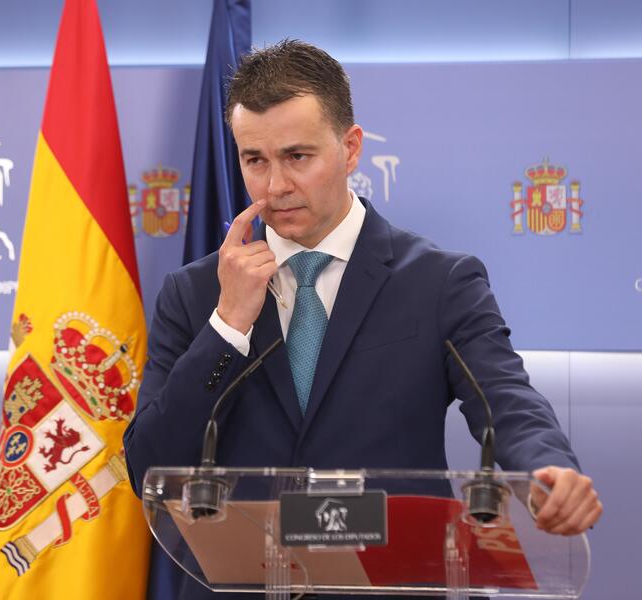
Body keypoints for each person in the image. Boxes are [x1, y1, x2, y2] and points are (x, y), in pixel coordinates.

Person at [124, 39, 602, 597]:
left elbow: (506, 399)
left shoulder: (439, 282)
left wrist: (547, 469)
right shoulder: (194, 293)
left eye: (297, 157)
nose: (276, 186)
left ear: (351, 149)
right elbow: (149, 467)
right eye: (255, 160)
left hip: (394, 585)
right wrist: (227, 326)